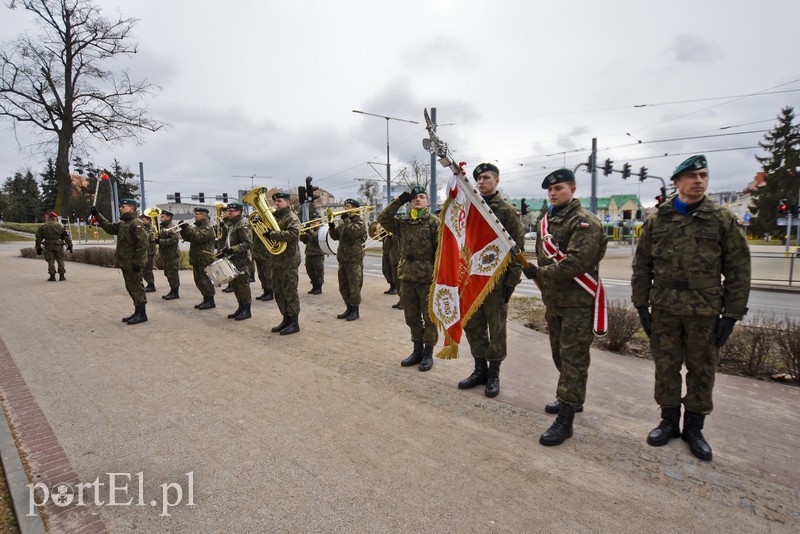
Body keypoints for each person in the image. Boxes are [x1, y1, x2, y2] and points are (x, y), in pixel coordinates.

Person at [632, 155, 751, 461]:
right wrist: (641, 304)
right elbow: (642, 265)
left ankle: (694, 428)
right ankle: (668, 422)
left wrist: (732, 315)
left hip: (705, 310)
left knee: (702, 370)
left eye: (703, 175)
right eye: (692, 176)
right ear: (677, 182)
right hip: (665, 308)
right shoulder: (658, 220)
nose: (699, 181)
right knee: (666, 366)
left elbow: (739, 269)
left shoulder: (721, 219)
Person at [523, 168, 607, 446]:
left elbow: (577, 263)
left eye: (559, 188)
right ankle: (569, 398)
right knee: (560, 355)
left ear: (572, 190)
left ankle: (567, 418)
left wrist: (540, 274)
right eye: (550, 190)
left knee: (573, 359)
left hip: (578, 302)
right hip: (555, 300)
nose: (553, 193)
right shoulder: (549, 220)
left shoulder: (585, 222)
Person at [457, 163, 524, 397]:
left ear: (497, 180)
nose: (481, 182)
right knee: (473, 325)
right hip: (471, 279)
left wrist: (510, 283)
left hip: (495, 282)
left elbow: (518, 250)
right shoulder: (470, 207)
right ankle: (479, 370)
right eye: (478, 179)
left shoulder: (506, 211)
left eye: (486, 178)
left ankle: (493, 374)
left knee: (496, 330)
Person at [378, 186, 440, 371]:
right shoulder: (402, 222)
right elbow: (383, 219)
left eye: (422, 197)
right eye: (414, 198)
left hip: (427, 277)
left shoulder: (434, 222)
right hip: (406, 276)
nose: (418, 200)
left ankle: (428, 353)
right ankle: (417, 350)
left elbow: (440, 251)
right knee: (411, 317)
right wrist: (399, 200)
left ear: (428, 202)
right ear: (410, 202)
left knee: (429, 318)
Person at [91, 199, 149, 324]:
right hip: (125, 262)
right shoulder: (124, 224)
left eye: (123, 206)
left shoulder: (136, 223)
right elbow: (109, 227)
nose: (120, 208)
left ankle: (142, 313)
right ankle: (137, 311)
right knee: (130, 287)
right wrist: (97, 215)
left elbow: (142, 244)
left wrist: (138, 263)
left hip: (133, 263)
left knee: (136, 287)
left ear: (131, 208)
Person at [262, 191, 302, 335]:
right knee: (279, 292)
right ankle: (286, 319)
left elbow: (293, 234)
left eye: (279, 201)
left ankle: (294, 322)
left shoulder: (291, 217)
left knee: (290, 292)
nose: (276, 203)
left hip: (289, 260)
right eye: (275, 201)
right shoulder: (275, 217)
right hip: (277, 260)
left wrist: (272, 234)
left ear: (288, 203)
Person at [329, 199, 367, 321]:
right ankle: (348, 308)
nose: (345, 208)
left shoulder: (359, 222)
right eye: (345, 206)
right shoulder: (343, 222)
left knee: (354, 287)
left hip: (354, 259)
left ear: (355, 208)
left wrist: (346, 220)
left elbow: (353, 233)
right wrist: (331, 226)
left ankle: (355, 310)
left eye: (348, 206)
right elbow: (335, 237)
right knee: (343, 286)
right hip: (343, 259)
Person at [220, 202, 253, 320]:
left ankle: (247, 310)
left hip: (242, 261)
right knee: (236, 286)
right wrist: (225, 250)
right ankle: (241, 307)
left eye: (232, 211)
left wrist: (232, 249)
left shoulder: (243, 224)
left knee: (243, 286)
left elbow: (248, 243)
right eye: (228, 211)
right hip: (233, 260)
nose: (229, 213)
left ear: (239, 211)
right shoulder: (233, 224)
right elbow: (230, 242)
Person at [180, 207, 217, 310]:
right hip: (196, 258)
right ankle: (205, 299)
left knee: (206, 281)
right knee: (199, 280)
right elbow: (188, 238)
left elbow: (199, 237)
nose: (195, 216)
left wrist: (188, 228)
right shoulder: (196, 227)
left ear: (204, 215)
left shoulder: (208, 228)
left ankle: (210, 300)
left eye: (197, 214)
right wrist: (183, 229)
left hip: (205, 258)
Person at [35, 211, 72, 281]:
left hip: (48, 246)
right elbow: (66, 237)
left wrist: (38, 248)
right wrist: (70, 246)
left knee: (50, 261)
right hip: (59, 246)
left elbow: (38, 238)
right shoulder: (61, 226)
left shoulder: (43, 227)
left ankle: (52, 276)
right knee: (60, 260)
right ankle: (62, 276)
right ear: (55, 218)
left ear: (49, 218)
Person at [299, 207, 325, 295]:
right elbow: (303, 240)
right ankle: (314, 286)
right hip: (309, 253)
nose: (314, 223)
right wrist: (304, 232)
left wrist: (309, 231)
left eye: (316, 221)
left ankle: (319, 287)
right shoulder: (311, 230)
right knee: (310, 271)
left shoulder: (321, 230)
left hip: (318, 254)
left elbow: (315, 237)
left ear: (320, 222)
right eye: (313, 221)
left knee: (318, 271)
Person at [157, 210, 181, 300]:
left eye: (162, 216)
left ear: (168, 217)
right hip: (166, 254)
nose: (160, 218)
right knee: (168, 273)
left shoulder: (172, 227)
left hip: (172, 254)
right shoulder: (163, 227)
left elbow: (174, 240)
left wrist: (160, 241)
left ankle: (175, 292)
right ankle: (172, 290)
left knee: (173, 273)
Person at [252, 225, 274, 301]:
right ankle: (265, 291)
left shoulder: (268, 225)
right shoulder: (257, 226)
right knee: (261, 275)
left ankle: (270, 292)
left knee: (267, 275)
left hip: (265, 254)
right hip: (258, 254)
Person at [140, 213, 157, 293]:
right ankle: (149, 284)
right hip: (144, 251)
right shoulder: (143, 227)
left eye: (144, 220)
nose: (142, 221)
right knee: (144, 269)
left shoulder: (152, 228)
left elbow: (150, 238)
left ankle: (151, 285)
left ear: (149, 220)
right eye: (142, 220)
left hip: (150, 251)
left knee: (148, 269)